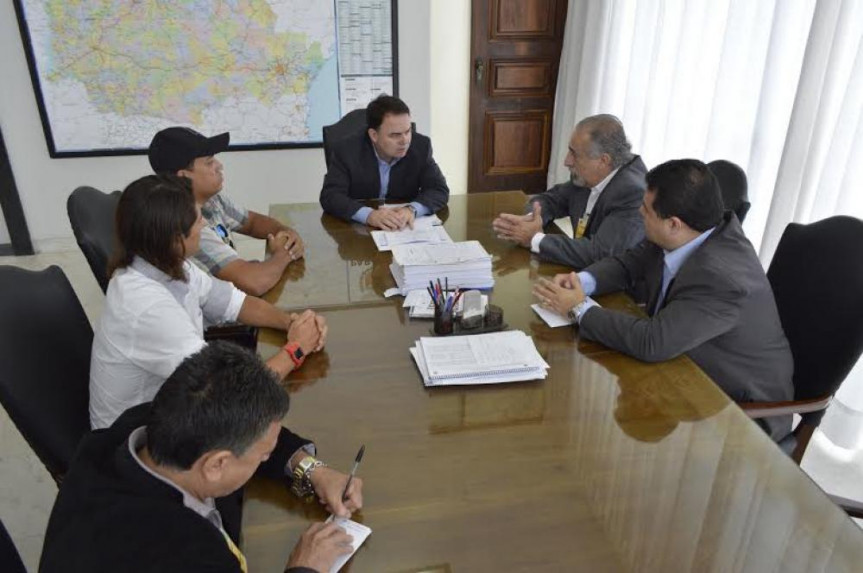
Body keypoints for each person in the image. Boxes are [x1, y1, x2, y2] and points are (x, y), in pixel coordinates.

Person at [43, 342, 363, 573]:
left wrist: (312, 470)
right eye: (262, 456)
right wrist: (305, 568)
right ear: (216, 465)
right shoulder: (184, 555)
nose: (266, 458)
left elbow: (253, 431)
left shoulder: (139, 426)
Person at [532, 159, 794, 440]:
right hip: (684, 369)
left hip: (740, 414)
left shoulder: (722, 278)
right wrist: (581, 282)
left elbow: (652, 341)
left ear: (673, 224)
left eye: (645, 210)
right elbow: (630, 263)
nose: (638, 212)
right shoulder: (691, 232)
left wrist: (577, 308)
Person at [89, 174, 328, 429]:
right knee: (276, 422)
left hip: (174, 402)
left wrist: (291, 323)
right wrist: (296, 349)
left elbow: (234, 303)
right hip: (139, 437)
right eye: (197, 219)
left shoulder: (168, 263)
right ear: (175, 238)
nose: (204, 223)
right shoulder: (147, 307)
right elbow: (228, 395)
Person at [149, 126, 303, 296]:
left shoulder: (211, 200)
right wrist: (285, 253)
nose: (219, 166)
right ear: (184, 176)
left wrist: (286, 233)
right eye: (209, 162)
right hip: (216, 318)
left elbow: (252, 223)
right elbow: (253, 283)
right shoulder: (185, 225)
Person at [493, 114, 647, 269]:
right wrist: (531, 220)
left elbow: (600, 253)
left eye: (575, 154)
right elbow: (551, 199)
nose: (567, 161)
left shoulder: (633, 193)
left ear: (603, 160)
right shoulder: (588, 176)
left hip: (622, 290)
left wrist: (535, 239)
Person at [319, 94, 449, 229]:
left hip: (403, 229)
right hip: (358, 232)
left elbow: (439, 189)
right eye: (395, 135)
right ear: (374, 135)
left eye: (407, 131)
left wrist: (411, 210)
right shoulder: (347, 150)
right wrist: (368, 215)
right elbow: (331, 196)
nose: (405, 141)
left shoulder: (421, 146)